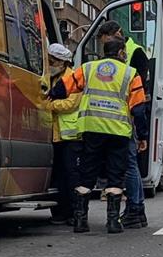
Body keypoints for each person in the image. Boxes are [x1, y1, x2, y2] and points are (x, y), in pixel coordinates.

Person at [50, 39, 149, 234]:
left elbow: (64, 88)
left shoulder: (88, 69)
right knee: (115, 176)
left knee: (87, 173)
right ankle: (112, 222)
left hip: (92, 130)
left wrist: (51, 94)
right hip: (118, 132)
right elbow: (138, 109)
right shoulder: (130, 74)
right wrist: (143, 135)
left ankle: (80, 221)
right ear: (121, 53)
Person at [96, 21, 150, 228]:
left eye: (105, 41)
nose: (105, 46)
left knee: (129, 164)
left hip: (126, 118)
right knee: (125, 164)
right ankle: (136, 209)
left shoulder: (134, 53)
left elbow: (138, 90)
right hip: (113, 120)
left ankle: (136, 209)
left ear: (114, 35)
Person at [41, 43, 82, 225]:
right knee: (58, 176)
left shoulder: (73, 78)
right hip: (55, 135)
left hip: (71, 136)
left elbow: (71, 104)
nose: (50, 64)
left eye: (52, 61)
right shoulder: (50, 78)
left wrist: (48, 106)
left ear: (62, 62)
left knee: (71, 176)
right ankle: (60, 212)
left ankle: (75, 212)